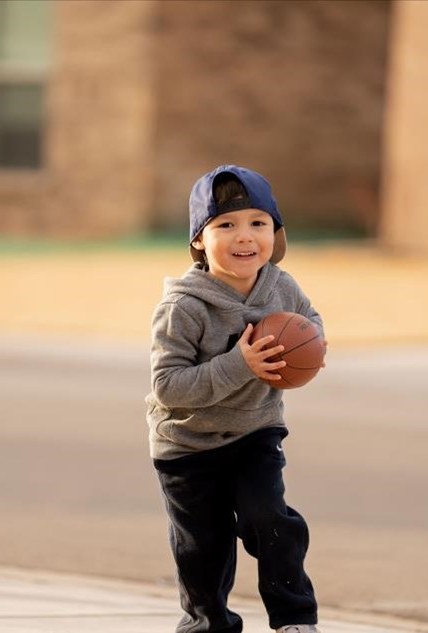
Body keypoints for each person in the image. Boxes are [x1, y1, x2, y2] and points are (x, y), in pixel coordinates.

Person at [146, 165, 325, 633]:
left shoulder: (281, 287)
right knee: (202, 551)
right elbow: (168, 386)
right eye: (225, 225)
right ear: (199, 241)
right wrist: (239, 365)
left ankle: (294, 619)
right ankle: (208, 625)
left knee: (270, 520)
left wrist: (311, 347)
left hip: (254, 432)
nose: (244, 237)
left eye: (257, 223)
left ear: (275, 233)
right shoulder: (183, 307)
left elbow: (311, 321)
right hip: (187, 446)